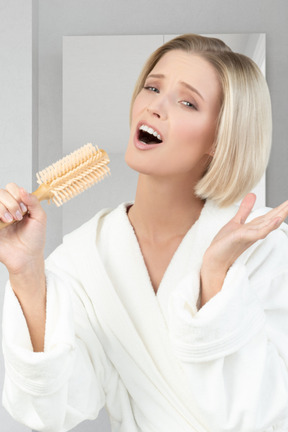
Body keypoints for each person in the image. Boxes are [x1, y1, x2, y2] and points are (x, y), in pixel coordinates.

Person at [1, 34, 288, 432]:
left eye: (187, 102)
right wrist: (26, 273)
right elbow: (52, 409)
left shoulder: (262, 247)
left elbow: (267, 411)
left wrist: (215, 279)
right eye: (152, 87)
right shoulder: (86, 258)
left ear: (221, 138)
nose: (155, 106)